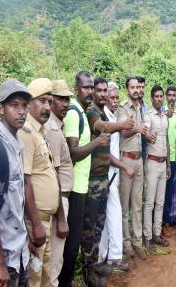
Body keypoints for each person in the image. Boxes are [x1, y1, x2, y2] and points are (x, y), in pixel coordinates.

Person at [0, 79, 43, 287]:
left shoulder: (16, 143)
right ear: (0, 108)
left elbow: (14, 202)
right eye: (14, 105)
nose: (21, 111)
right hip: (1, 263)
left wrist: (25, 242)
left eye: (24, 106)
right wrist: (0, 264)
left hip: (18, 254)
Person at [83, 77, 135, 284]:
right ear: (93, 92)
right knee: (92, 227)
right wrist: (121, 124)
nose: (103, 94)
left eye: (106, 91)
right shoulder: (92, 112)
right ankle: (90, 271)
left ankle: (98, 265)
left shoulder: (104, 111)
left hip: (104, 175)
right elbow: (100, 126)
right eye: (100, 90)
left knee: (99, 225)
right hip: (94, 177)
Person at [59, 71, 108, 287]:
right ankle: (66, 281)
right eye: (86, 87)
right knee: (72, 242)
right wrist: (97, 143)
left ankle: (79, 276)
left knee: (79, 237)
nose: (89, 91)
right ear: (76, 88)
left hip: (82, 185)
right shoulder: (73, 114)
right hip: (75, 188)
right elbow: (72, 153)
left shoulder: (82, 110)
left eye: (91, 87)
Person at [18, 78, 65, 287]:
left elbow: (51, 174)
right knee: (35, 279)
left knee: (45, 276)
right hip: (36, 221)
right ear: (29, 103)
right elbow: (25, 181)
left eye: (49, 101)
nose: (47, 106)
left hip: (47, 220)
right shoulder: (26, 133)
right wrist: (36, 225)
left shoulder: (41, 131)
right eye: (42, 101)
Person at [45, 80, 74, 287]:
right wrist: (62, 218)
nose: (65, 104)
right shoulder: (52, 130)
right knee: (53, 262)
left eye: (67, 99)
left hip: (57, 203)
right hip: (57, 205)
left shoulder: (56, 125)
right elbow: (53, 176)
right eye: (60, 99)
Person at [99, 82, 130, 272]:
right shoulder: (103, 120)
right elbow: (105, 153)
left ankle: (105, 254)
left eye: (117, 98)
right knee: (114, 212)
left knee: (106, 214)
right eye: (112, 97)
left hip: (112, 173)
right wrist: (123, 166)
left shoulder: (112, 117)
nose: (115, 101)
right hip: (107, 172)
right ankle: (116, 256)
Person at [117, 76, 149, 261]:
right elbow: (123, 130)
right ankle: (126, 243)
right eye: (132, 87)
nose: (136, 89)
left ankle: (137, 243)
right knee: (124, 206)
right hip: (126, 160)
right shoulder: (123, 108)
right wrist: (137, 128)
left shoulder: (141, 108)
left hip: (138, 161)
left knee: (137, 204)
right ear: (127, 89)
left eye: (138, 87)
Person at [143, 85, 171, 253]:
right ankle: (147, 238)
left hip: (162, 164)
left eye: (162, 96)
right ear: (152, 98)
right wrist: (147, 135)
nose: (160, 99)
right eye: (157, 96)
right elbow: (144, 132)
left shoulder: (164, 116)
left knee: (160, 202)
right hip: (152, 163)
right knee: (150, 202)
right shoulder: (149, 115)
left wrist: (168, 164)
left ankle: (156, 233)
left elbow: (166, 141)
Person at [162, 85, 176, 238]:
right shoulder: (163, 113)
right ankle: (164, 224)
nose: (173, 98)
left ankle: (172, 220)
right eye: (170, 95)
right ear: (167, 97)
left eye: (175, 95)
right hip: (165, 159)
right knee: (165, 193)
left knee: (174, 192)